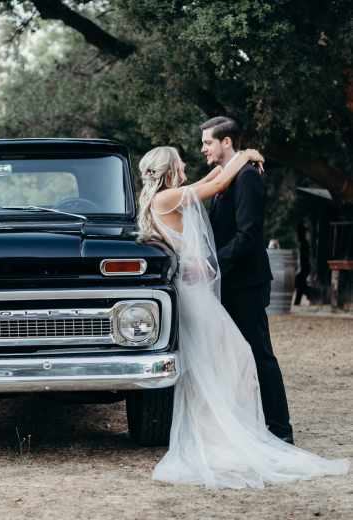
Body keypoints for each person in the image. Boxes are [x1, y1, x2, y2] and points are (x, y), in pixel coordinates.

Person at [136, 145, 349, 488]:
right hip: (194, 299)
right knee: (235, 358)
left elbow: (210, 179)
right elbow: (215, 187)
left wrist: (231, 163)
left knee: (219, 362)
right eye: (180, 163)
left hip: (195, 293)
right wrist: (246, 153)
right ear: (170, 170)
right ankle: (224, 434)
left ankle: (226, 428)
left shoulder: (167, 197)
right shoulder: (168, 198)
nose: (187, 168)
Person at [200, 116, 293, 443]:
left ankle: (280, 431)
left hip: (247, 284)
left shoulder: (248, 178)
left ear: (227, 142)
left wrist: (211, 263)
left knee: (260, 355)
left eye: (208, 142)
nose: (204, 148)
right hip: (229, 283)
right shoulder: (225, 178)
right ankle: (247, 425)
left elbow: (248, 235)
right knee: (233, 357)